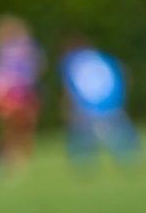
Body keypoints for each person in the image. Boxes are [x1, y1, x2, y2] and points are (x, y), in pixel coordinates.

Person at [59, 38, 139, 168]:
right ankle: (130, 159)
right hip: (112, 104)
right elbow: (123, 73)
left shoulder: (72, 62)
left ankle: (83, 163)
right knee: (120, 135)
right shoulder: (103, 57)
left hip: (87, 108)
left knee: (82, 138)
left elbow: (70, 89)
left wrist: (68, 106)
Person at [0, 14, 45, 173]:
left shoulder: (26, 50)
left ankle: (17, 157)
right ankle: (9, 157)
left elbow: (35, 68)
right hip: (9, 95)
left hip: (23, 93)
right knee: (12, 128)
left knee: (22, 128)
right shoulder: (4, 52)